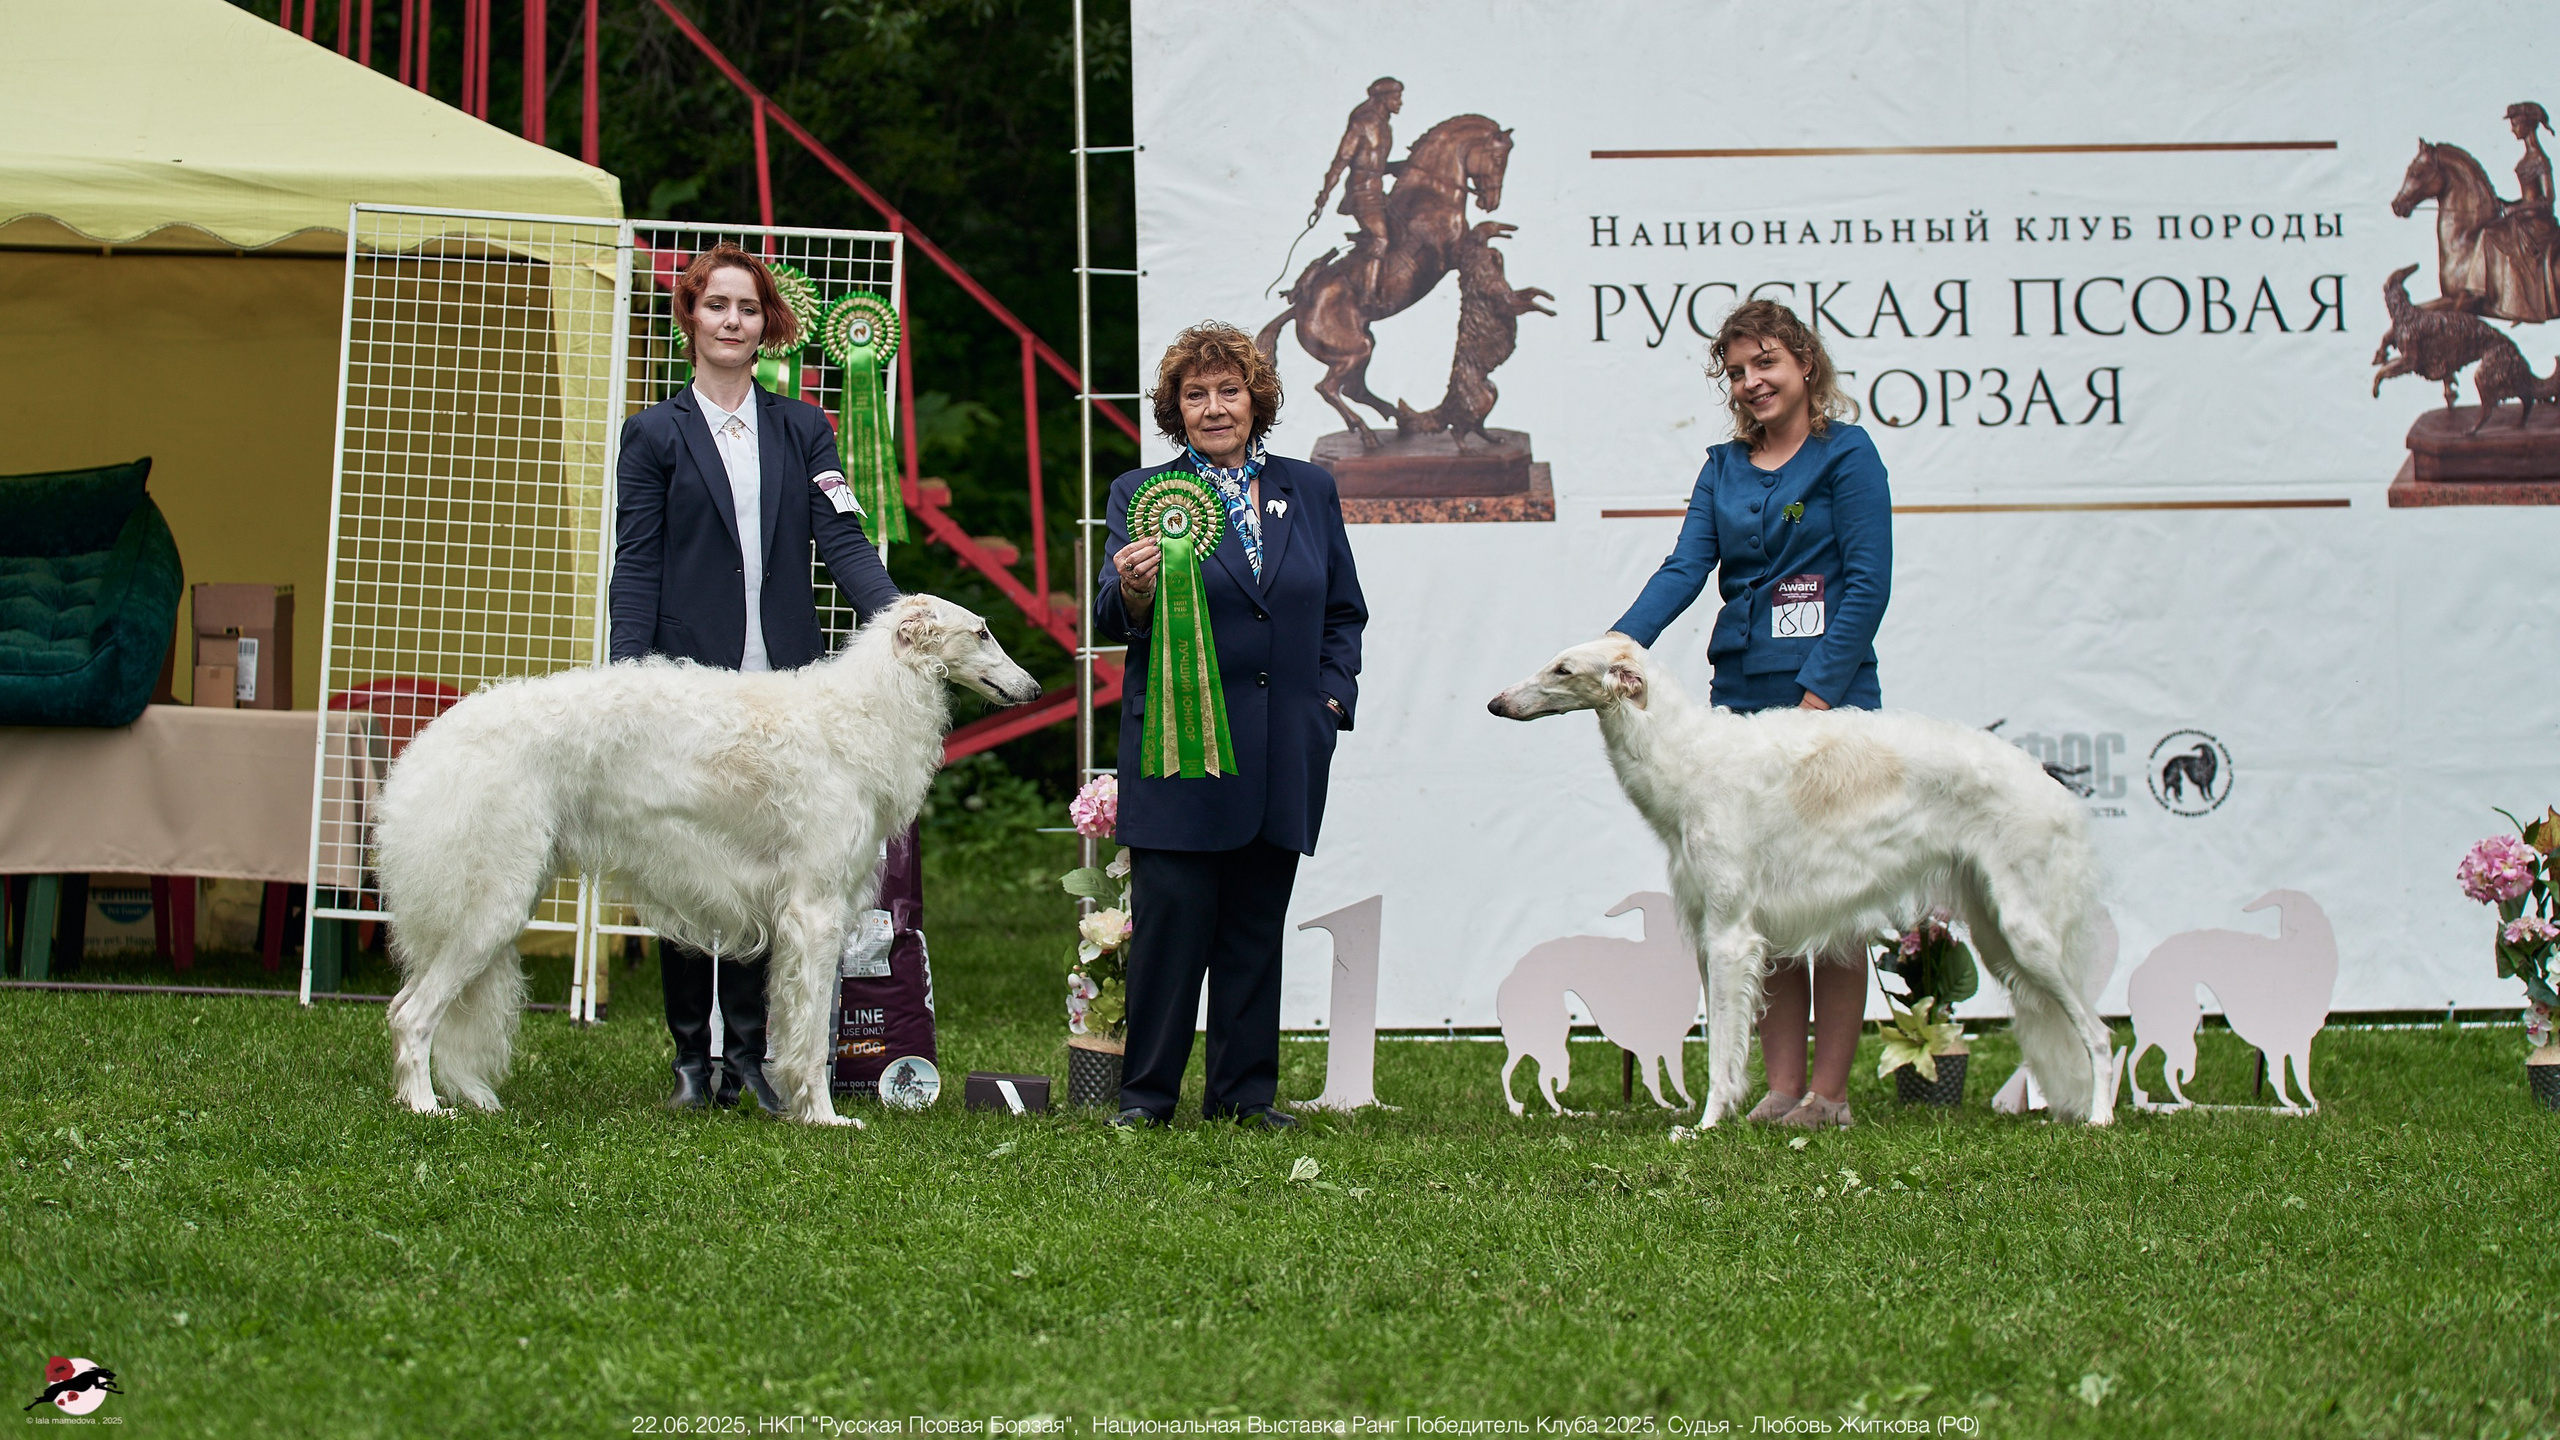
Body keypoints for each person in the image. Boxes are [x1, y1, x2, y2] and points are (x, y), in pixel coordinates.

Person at [609, 242, 903, 1111]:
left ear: (766, 323)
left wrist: (901, 620)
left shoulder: (803, 428)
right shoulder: (653, 433)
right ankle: (690, 1063)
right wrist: (631, 677)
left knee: (762, 870)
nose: (732, 321)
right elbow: (638, 562)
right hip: (688, 690)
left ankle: (748, 1059)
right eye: (716, 305)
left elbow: (843, 538)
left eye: (747, 307)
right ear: (691, 317)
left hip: (783, 690)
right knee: (686, 868)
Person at [1608, 298, 1891, 1130]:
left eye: (1766, 362)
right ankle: (1779, 1087)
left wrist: (1816, 699)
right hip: (1740, 705)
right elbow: (1683, 568)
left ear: (1805, 364)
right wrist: (1615, 647)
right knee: (1759, 900)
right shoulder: (1721, 469)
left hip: (1830, 710)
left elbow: (1867, 584)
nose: (1751, 381)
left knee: (1836, 902)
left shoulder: (1848, 455)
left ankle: (1829, 1096)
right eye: (1736, 371)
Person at [1096, 322, 1368, 1129]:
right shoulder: (1141, 493)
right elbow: (1113, 615)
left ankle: (1244, 1097)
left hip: (1284, 749)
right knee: (1170, 933)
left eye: (1229, 390)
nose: (1214, 408)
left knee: (1255, 929)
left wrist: (1328, 705)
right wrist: (1135, 588)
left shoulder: (1310, 489)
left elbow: (1343, 613)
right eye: (1195, 395)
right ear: (1175, 411)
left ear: (1257, 401)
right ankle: (1146, 1099)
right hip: (1177, 749)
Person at [1312, 77, 1405, 307]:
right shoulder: (1362, 124)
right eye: (1396, 97)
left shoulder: (1386, 128)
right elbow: (1342, 160)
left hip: (1377, 192)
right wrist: (1325, 194)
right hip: (1361, 193)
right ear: (1383, 99)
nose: (1400, 102)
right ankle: (1367, 296)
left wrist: (1403, 166)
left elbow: (1376, 166)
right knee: (1381, 239)